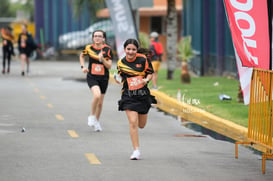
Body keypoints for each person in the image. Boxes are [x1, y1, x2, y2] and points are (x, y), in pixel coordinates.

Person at [116, 39, 156, 160]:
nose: (131, 52)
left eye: (133, 49)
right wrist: (118, 79)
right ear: (124, 49)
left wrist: (146, 80)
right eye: (128, 49)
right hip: (128, 95)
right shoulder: (121, 63)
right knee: (133, 122)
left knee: (141, 125)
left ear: (136, 50)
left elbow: (150, 73)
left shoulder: (143, 59)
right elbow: (121, 77)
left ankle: (142, 113)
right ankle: (136, 150)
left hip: (142, 95)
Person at [79, 30, 113, 132]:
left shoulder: (107, 49)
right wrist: (83, 67)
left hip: (103, 78)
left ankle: (97, 122)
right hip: (92, 76)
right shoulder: (89, 48)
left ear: (104, 38)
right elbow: (81, 56)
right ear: (93, 38)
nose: (97, 38)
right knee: (97, 95)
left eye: (100, 36)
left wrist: (102, 60)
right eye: (95, 36)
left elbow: (109, 66)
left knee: (100, 103)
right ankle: (92, 116)